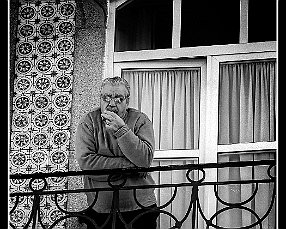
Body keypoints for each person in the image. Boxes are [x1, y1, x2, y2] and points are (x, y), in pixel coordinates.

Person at [75, 76, 158, 229]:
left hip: (141, 208)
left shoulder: (140, 120)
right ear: (100, 99)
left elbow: (145, 159)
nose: (112, 104)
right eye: (106, 98)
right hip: (101, 210)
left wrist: (122, 130)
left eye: (119, 98)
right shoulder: (89, 122)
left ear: (127, 101)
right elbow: (87, 162)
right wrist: (130, 165)